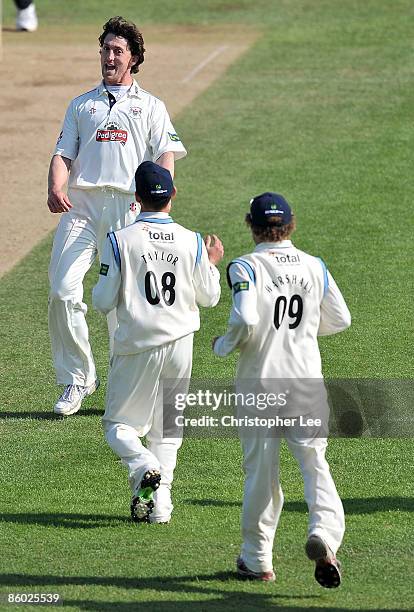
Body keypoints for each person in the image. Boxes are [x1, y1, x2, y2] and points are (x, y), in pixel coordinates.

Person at [47, 16, 187, 416]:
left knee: (127, 302)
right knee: (62, 291)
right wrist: (56, 185)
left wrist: (159, 202)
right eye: (105, 50)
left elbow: (165, 155)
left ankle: (129, 385)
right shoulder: (82, 104)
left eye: (117, 51)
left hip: (129, 209)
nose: (109, 57)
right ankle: (78, 379)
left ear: (134, 58)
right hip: (83, 208)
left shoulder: (152, 106)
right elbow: (63, 153)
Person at [213, 192, 351, 586]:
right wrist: (304, 331)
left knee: (260, 472)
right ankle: (323, 532)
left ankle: (257, 560)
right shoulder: (314, 265)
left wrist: (225, 344)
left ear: (251, 224)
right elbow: (340, 318)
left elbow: (245, 318)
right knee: (314, 463)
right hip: (305, 382)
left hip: (260, 384)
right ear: (290, 224)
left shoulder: (245, 267)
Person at [92, 161, 223, 524]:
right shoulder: (192, 240)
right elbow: (209, 297)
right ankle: (160, 508)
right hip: (181, 345)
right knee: (167, 429)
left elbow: (102, 301)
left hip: (137, 345)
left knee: (118, 426)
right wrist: (210, 263)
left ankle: (143, 465)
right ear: (173, 195)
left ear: (136, 198)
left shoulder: (120, 240)